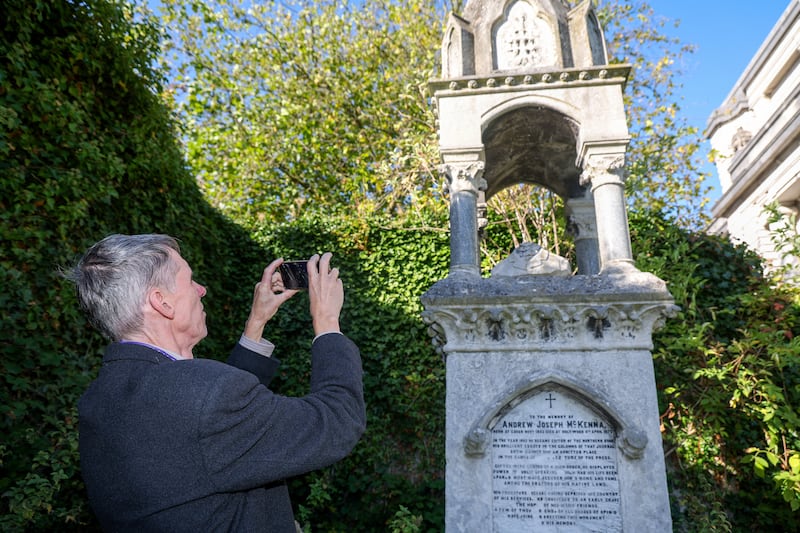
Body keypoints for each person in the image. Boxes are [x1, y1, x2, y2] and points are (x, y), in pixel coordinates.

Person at [65, 233, 365, 532]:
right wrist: (327, 324)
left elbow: (204, 436)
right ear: (162, 302)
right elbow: (337, 421)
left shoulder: (99, 399)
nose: (202, 290)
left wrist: (256, 322)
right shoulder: (202, 396)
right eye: (190, 281)